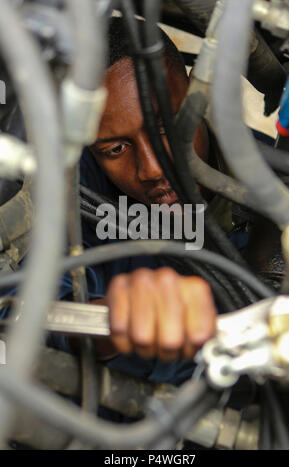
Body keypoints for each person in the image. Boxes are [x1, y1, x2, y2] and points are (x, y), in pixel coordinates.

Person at [58, 17, 231, 385]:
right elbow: (33, 303)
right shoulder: (78, 187)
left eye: (165, 128)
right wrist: (109, 321)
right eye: (115, 148)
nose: (151, 169)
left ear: (196, 97)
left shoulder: (272, 183)